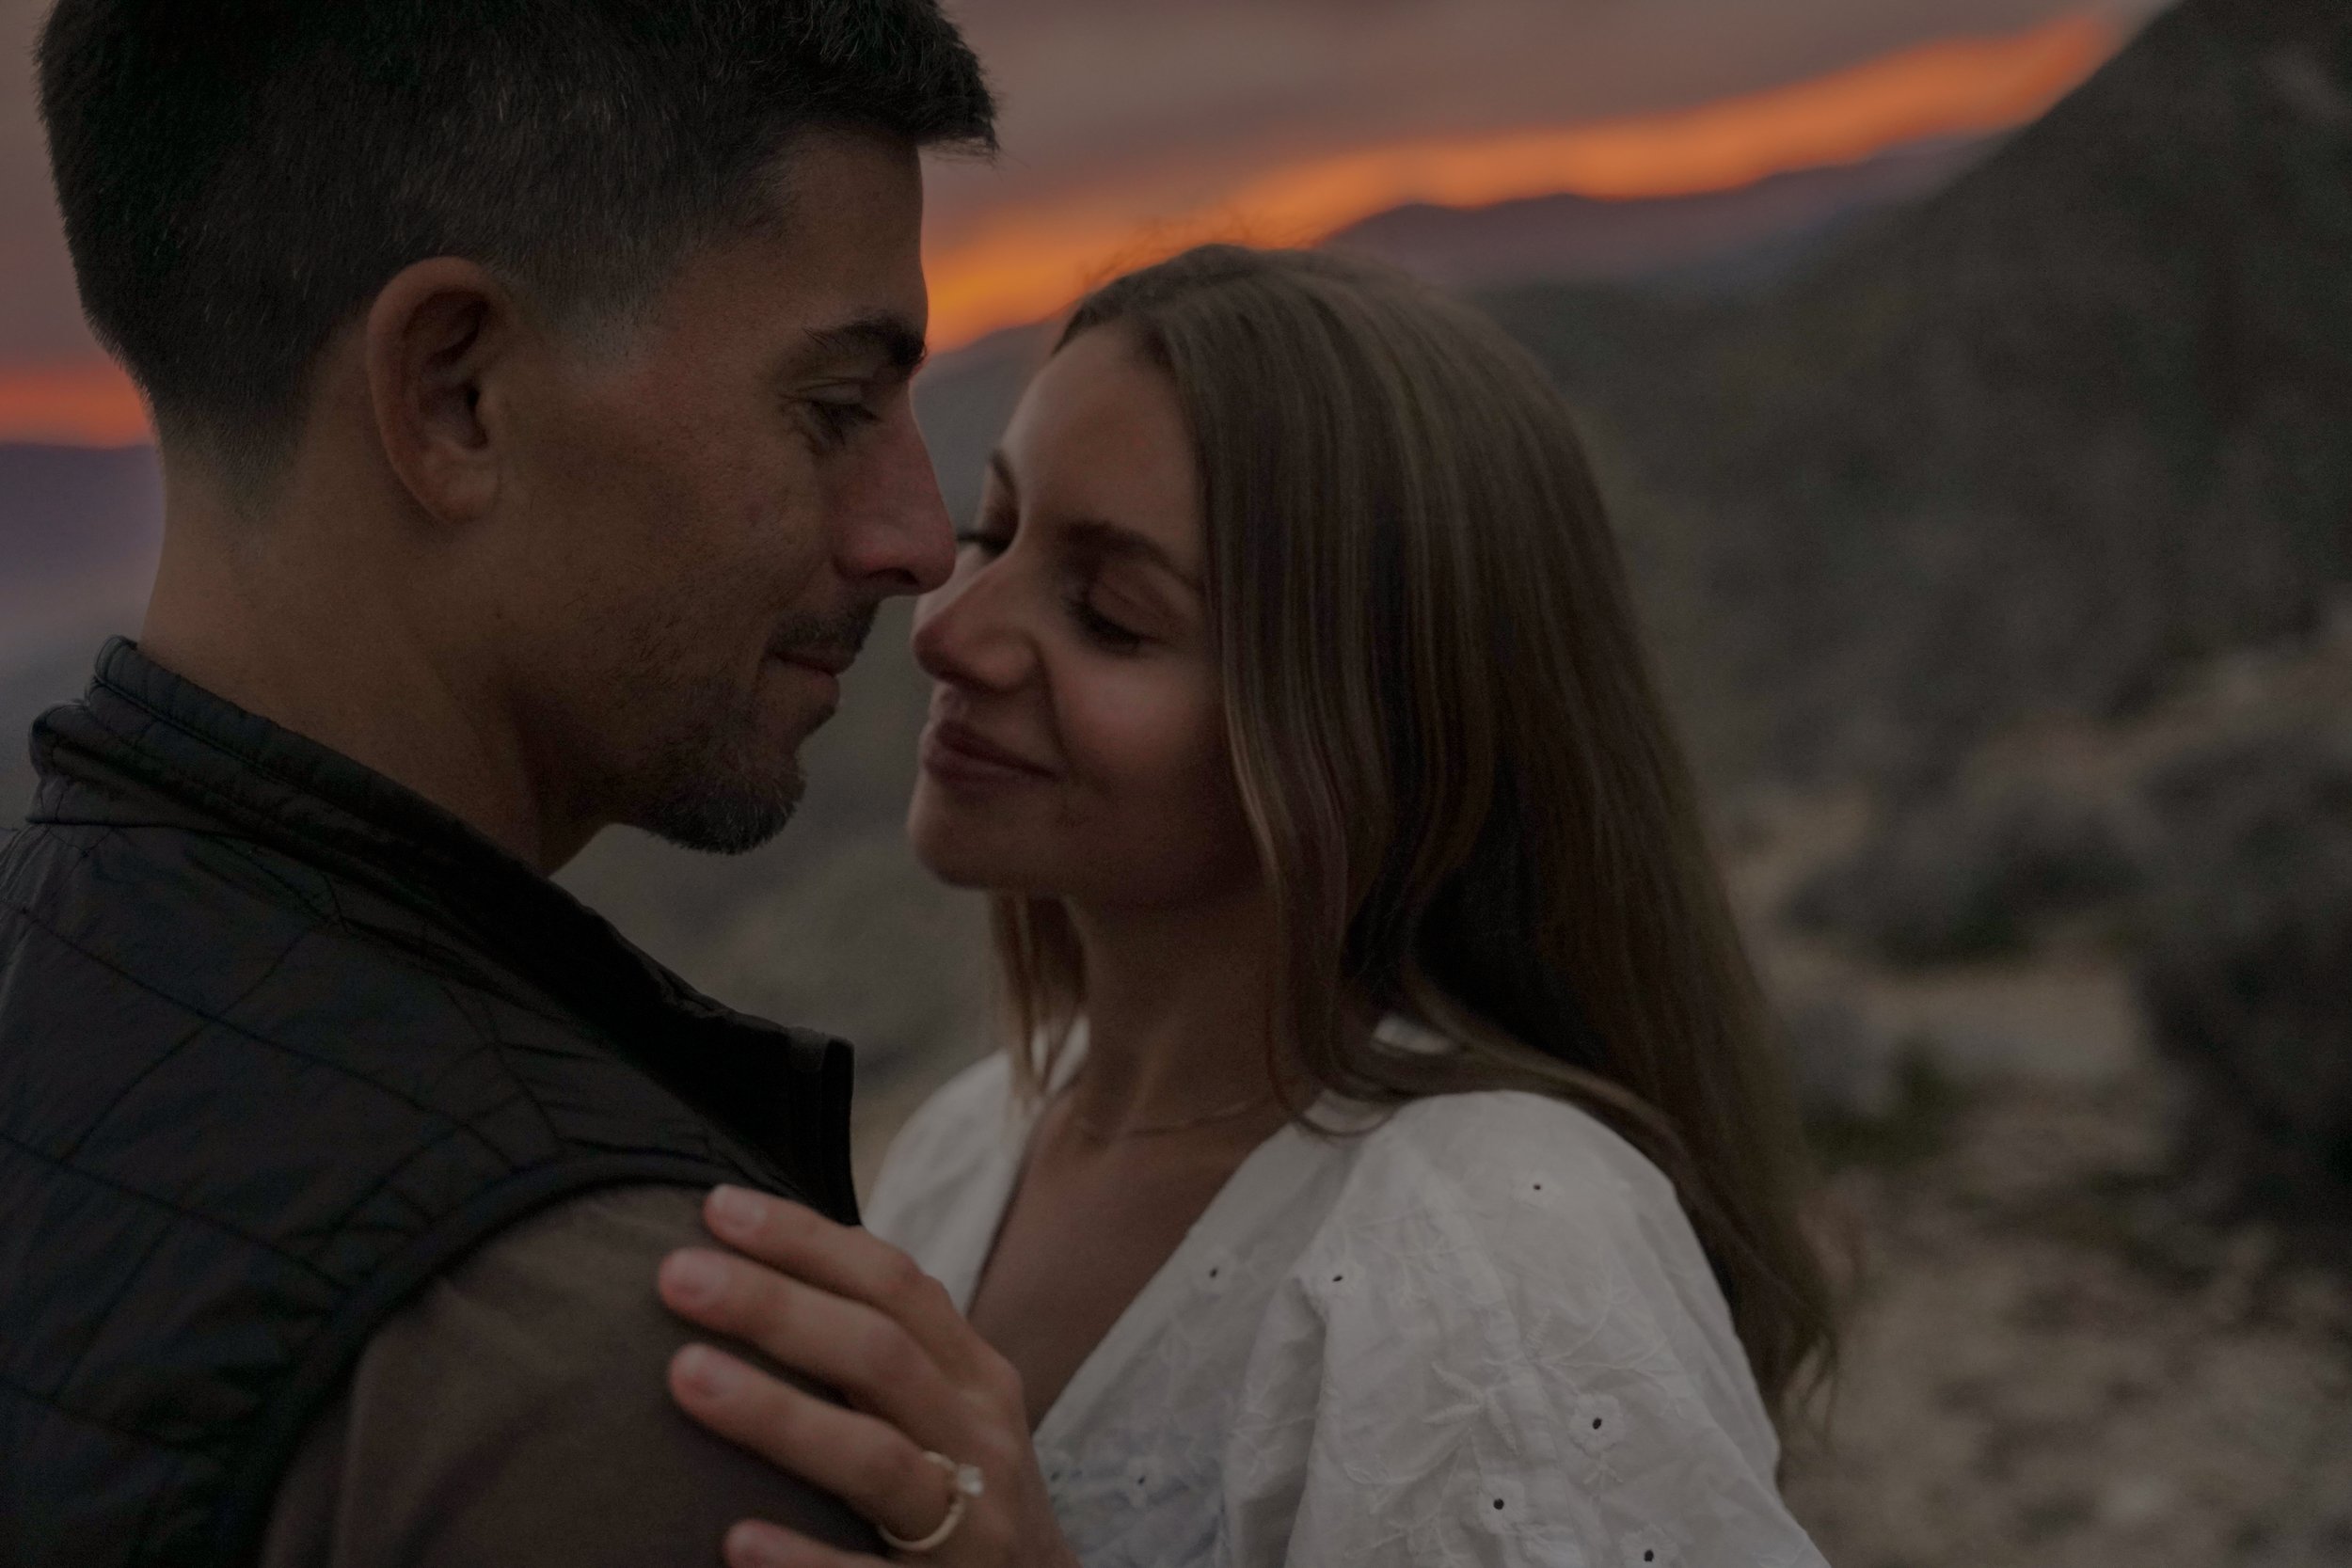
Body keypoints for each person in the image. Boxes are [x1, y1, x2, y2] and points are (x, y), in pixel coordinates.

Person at [652, 245, 1842, 1567]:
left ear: (1364, 734)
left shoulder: (1496, 1234)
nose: (952, 628)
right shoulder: (959, 1155)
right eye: (994, 531)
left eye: (1109, 613)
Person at [2, 2, 993, 1563]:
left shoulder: (56, 967)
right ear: (456, 394)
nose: (915, 538)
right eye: (835, 408)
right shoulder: (637, 1385)